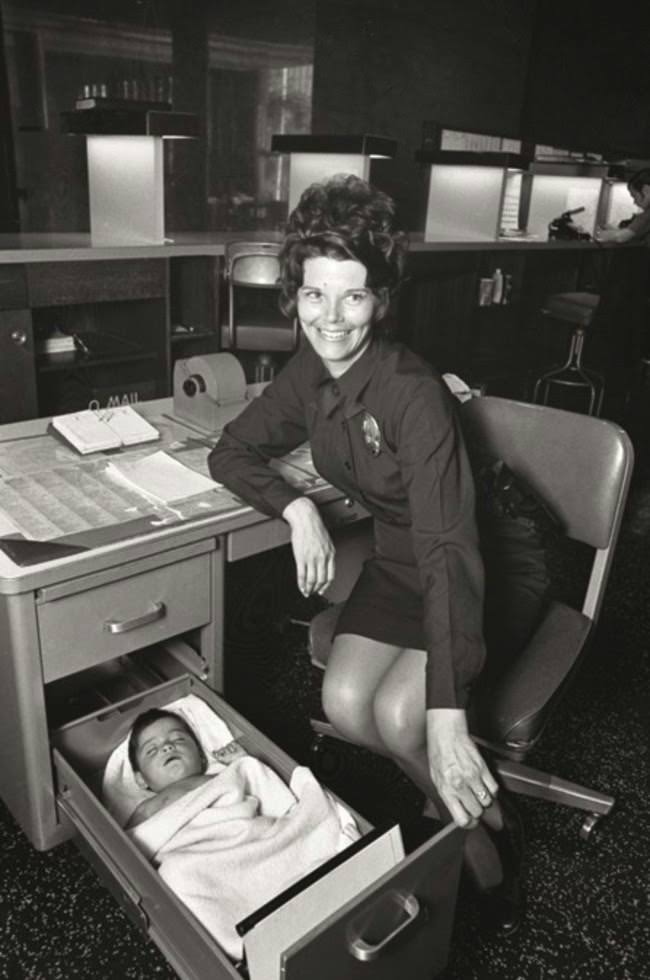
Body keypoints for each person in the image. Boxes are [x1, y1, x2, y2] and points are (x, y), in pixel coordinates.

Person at [208, 173, 522, 933]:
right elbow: (233, 451)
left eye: (353, 297)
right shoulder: (311, 368)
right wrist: (296, 511)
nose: (333, 318)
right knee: (346, 706)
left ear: (380, 299)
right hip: (398, 557)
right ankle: (463, 794)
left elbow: (452, 549)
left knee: (403, 713)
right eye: (315, 296)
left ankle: (480, 840)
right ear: (295, 295)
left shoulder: (414, 392)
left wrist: (450, 716)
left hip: (481, 559)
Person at [126, 708, 245, 828]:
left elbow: (253, 778)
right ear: (141, 779)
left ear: (201, 757)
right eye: (152, 750)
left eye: (178, 739)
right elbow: (123, 840)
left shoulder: (222, 776)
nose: (167, 747)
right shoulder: (147, 808)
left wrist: (240, 761)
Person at [595, 168, 650, 244]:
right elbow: (630, 234)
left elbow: (620, 237)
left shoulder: (647, 215)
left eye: (634, 196)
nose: (634, 202)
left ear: (646, 190)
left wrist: (600, 234)